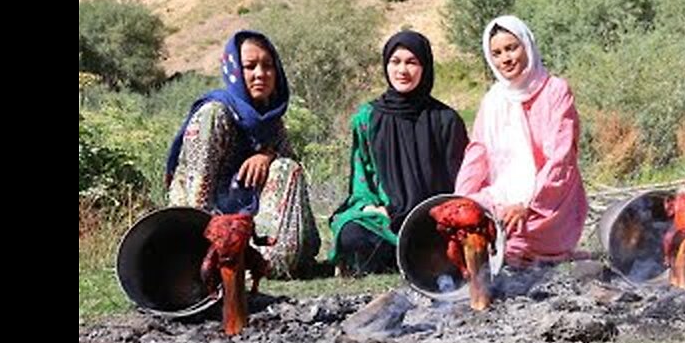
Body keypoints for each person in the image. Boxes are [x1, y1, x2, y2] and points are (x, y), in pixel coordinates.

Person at [166, 30, 320, 278]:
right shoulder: (214, 114)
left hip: (250, 224)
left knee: (287, 168)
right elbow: (197, 193)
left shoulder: (271, 122)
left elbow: (290, 178)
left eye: (267, 66)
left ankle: (259, 260)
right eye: (250, 66)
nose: (260, 74)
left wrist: (267, 156)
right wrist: (211, 241)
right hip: (207, 227)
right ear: (234, 71)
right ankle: (219, 261)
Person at [327, 30, 469, 275]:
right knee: (352, 234)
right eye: (395, 62)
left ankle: (415, 255)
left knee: (456, 237)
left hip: (435, 219)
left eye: (412, 62)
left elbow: (461, 180)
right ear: (386, 66)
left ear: (425, 67)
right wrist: (370, 205)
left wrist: (443, 214)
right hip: (385, 220)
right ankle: (412, 258)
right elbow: (361, 175)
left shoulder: (446, 119)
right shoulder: (367, 118)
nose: (402, 70)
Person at [455, 15, 588, 266]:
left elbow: (561, 158)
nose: (505, 58)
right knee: (469, 221)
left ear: (527, 45)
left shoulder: (555, 90)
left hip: (549, 199)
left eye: (511, 48)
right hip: (503, 193)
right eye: (497, 53)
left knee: (513, 239)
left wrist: (526, 203)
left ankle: (536, 250)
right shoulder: (493, 100)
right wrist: (461, 200)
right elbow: (477, 154)